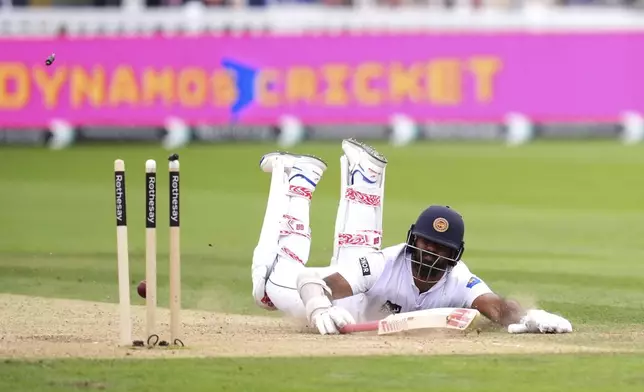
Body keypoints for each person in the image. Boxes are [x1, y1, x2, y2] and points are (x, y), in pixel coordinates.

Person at [251, 138, 573, 335]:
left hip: (358, 300)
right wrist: (319, 308)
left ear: (454, 256)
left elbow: (498, 309)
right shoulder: (386, 262)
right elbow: (310, 280)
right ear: (413, 239)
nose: (431, 252)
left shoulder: (458, 279)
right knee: (265, 289)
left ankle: (362, 175)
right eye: (426, 242)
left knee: (353, 252)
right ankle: (297, 180)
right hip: (339, 303)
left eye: (441, 248)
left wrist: (530, 317)